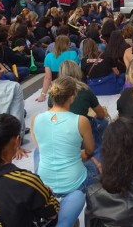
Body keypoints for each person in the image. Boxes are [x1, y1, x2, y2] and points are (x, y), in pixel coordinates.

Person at [31, 76, 94, 227]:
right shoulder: (81, 121)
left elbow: (40, 147)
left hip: (45, 182)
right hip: (75, 182)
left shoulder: (36, 119)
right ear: (72, 97)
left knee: (37, 154)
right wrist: (79, 154)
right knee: (96, 164)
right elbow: (90, 150)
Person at [36, 35, 79, 102]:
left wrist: (42, 95)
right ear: (67, 44)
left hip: (57, 87)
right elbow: (76, 73)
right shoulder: (73, 54)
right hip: (71, 86)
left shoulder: (49, 56)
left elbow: (48, 77)